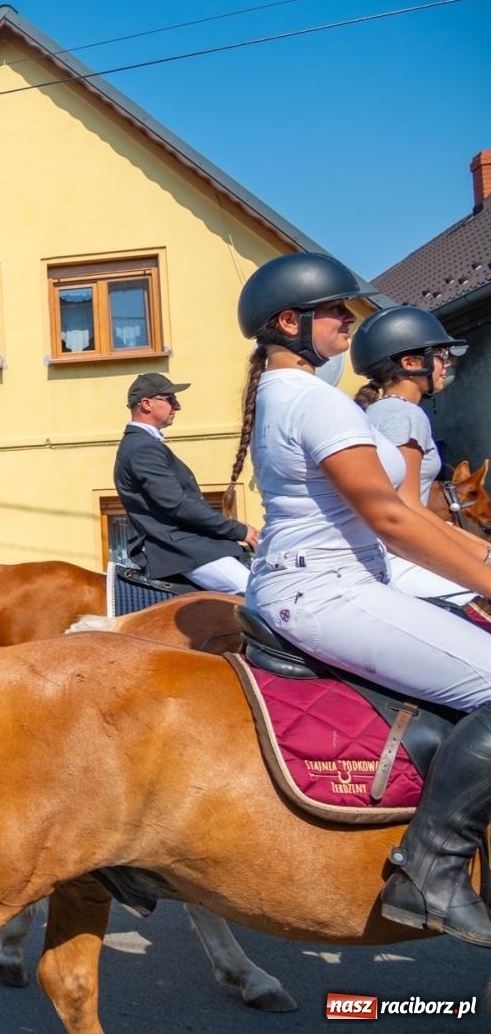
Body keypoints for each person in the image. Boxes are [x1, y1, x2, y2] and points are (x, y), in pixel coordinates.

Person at [230, 251, 491, 946]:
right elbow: (393, 518)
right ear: (291, 322)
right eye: (334, 311)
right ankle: (430, 871)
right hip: (326, 589)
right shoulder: (313, 400)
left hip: (327, 581)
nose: (348, 321)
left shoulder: (292, 394)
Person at [350, 305, 479, 605]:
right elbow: (407, 506)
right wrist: (482, 554)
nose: (447, 364)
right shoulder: (405, 414)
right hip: (399, 556)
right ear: (410, 363)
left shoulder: (379, 411)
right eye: (440, 355)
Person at [113, 372, 258, 593]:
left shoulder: (145, 444)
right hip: (182, 550)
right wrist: (239, 531)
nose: (177, 406)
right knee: (258, 595)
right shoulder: (142, 448)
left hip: (193, 545)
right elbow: (177, 505)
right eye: (170, 399)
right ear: (146, 404)